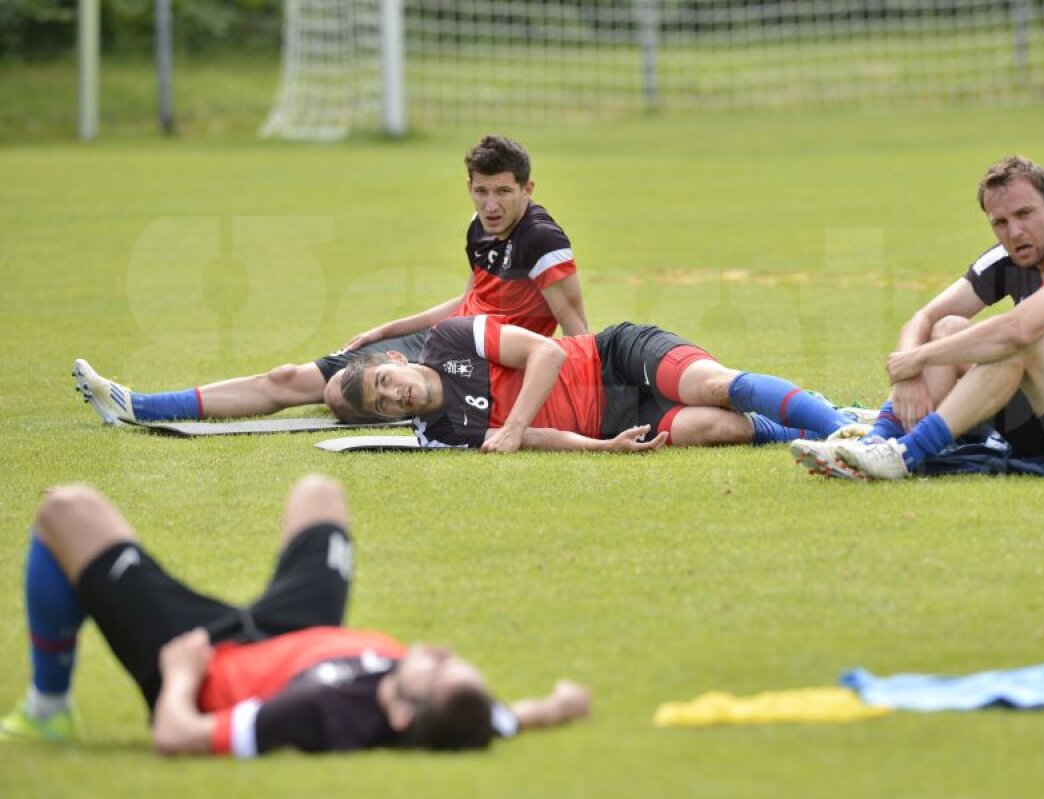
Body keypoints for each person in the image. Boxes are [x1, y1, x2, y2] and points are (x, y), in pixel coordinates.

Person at [0, 475, 590, 755]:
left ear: (400, 709)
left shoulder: (317, 712)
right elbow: (511, 716)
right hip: (302, 632)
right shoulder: (458, 712)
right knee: (319, 494)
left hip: (208, 656)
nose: (440, 654)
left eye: (437, 672)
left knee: (66, 509)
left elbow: (176, 737)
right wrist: (562, 703)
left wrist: (179, 675)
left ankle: (49, 709)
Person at [72, 134, 589, 425]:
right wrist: (389, 328)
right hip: (440, 338)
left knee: (340, 396)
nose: (490, 204)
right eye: (481, 191)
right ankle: (137, 406)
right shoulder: (480, 229)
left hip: (471, 362)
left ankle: (139, 407)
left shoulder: (542, 241)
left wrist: (579, 407)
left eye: (502, 191)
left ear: (528, 188)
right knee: (288, 379)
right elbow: (472, 297)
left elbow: (578, 330)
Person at [792, 155, 1044, 480]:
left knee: (1021, 343)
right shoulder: (1008, 258)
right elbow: (926, 317)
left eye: (1025, 214)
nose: (1015, 231)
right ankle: (881, 442)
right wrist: (906, 368)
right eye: (1000, 222)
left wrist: (920, 358)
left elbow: (1019, 330)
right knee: (948, 328)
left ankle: (905, 454)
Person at [337, 314, 860, 452]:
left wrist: (514, 423)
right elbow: (535, 440)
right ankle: (814, 429)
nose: (392, 396)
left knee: (712, 387)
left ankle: (850, 429)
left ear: (392, 359)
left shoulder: (450, 339)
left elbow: (544, 352)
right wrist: (601, 446)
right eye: (381, 406)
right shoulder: (440, 432)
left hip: (614, 356)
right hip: (616, 418)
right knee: (717, 428)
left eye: (384, 381)